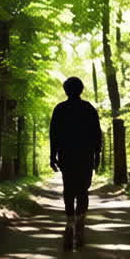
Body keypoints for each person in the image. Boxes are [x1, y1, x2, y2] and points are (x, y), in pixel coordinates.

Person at [49, 76, 102, 250]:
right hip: (85, 156)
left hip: (67, 156)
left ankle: (70, 223)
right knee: (82, 190)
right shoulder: (89, 109)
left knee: (69, 189)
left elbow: (54, 135)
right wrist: (97, 155)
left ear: (66, 90)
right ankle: (80, 224)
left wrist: (52, 156)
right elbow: (97, 134)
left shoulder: (60, 109)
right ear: (81, 89)